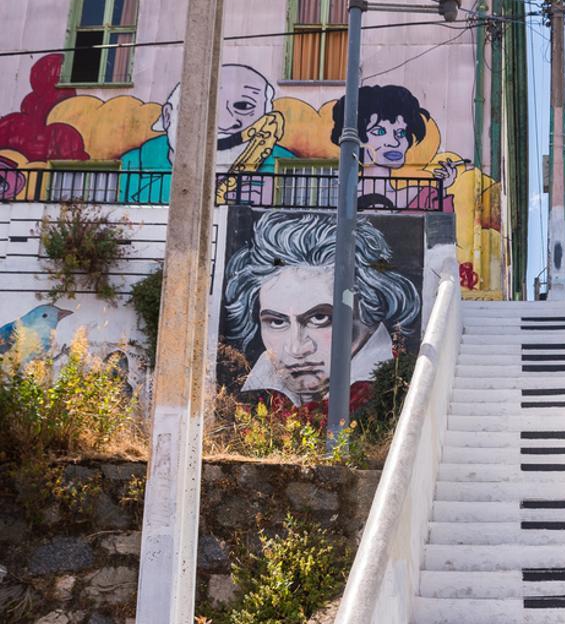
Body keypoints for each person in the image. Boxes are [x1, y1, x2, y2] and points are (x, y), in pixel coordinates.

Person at [221, 209, 420, 408]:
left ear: (368, 306)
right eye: (277, 322)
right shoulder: (255, 393)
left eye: (319, 318)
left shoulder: (396, 386)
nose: (296, 349)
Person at [119, 63, 295, 204]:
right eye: (204, 106)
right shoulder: (132, 163)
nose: (225, 124)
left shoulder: (287, 165)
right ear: (167, 116)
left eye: (243, 106)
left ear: (266, 117)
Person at [331, 83, 460, 212]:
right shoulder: (337, 199)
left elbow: (441, 229)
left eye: (401, 133)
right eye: (379, 131)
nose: (395, 142)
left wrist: (442, 189)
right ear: (356, 137)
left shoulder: (423, 197)